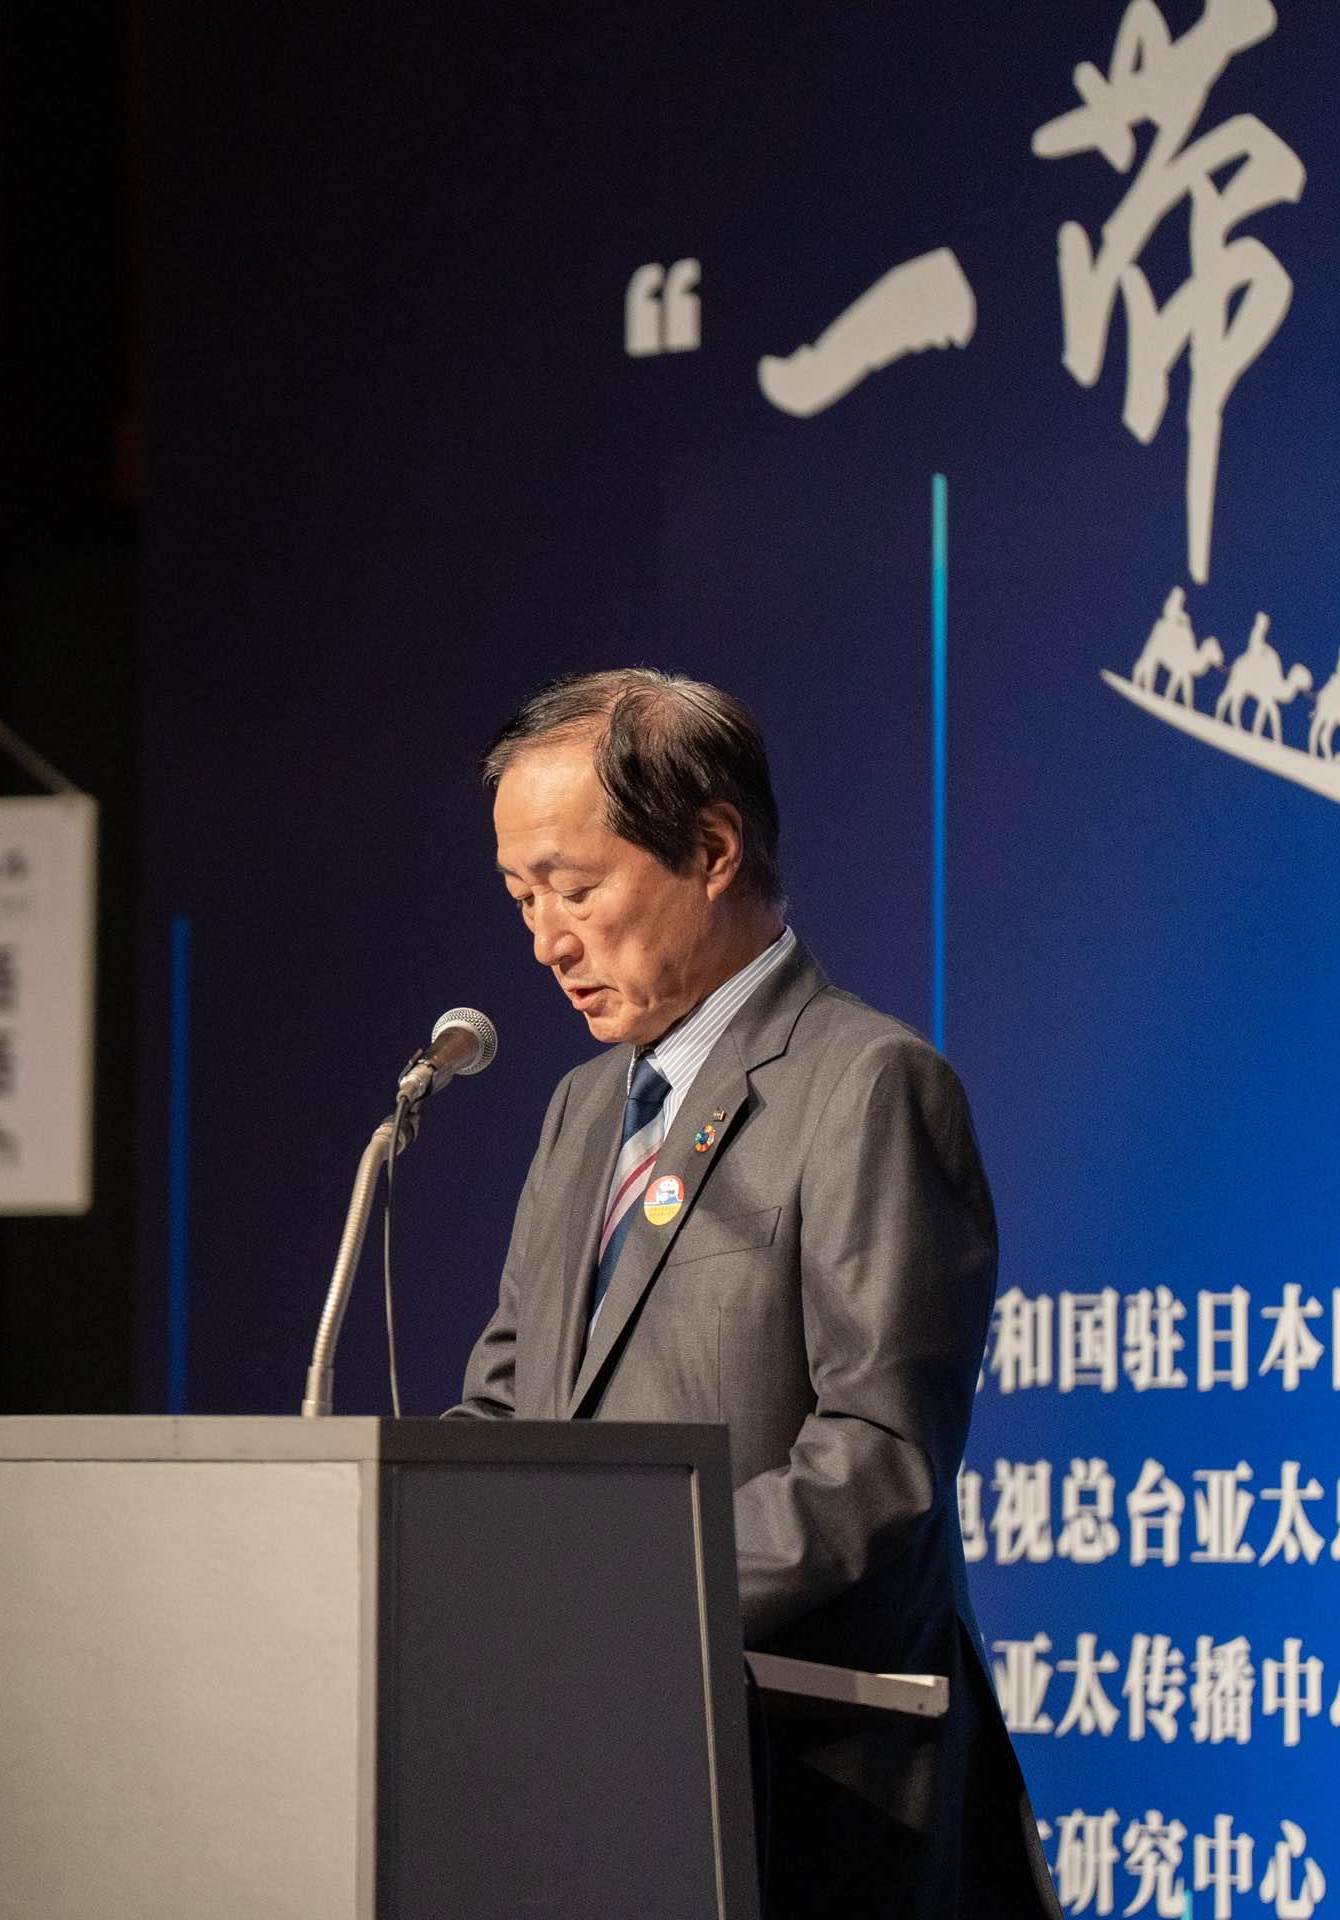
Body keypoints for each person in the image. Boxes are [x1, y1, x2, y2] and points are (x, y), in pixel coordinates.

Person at [450, 669, 1059, 1919]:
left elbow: (878, 1461)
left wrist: (626, 1599)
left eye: (573, 888)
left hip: (798, 1783)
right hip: (586, 1773)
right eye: (521, 898)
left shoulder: (866, 1083)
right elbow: (508, 1415)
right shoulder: (580, 1111)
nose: (546, 941)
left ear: (713, 847)